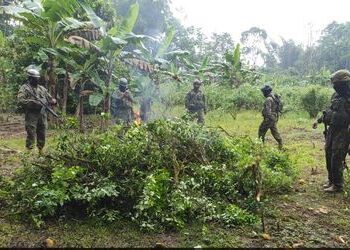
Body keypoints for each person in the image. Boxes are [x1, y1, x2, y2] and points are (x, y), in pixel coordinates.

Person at [313, 69, 350, 193]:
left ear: (344, 84)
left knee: (337, 156)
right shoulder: (335, 96)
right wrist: (318, 120)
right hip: (332, 129)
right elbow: (329, 111)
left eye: (337, 84)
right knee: (328, 153)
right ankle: (331, 180)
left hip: (344, 132)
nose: (335, 86)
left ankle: (338, 185)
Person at [17, 68, 56, 154]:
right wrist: (33, 103)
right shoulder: (25, 88)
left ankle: (40, 151)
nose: (37, 80)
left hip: (42, 115)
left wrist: (53, 101)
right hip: (31, 115)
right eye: (35, 78)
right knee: (31, 133)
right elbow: (21, 100)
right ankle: (28, 152)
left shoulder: (42, 89)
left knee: (42, 132)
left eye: (37, 78)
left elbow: (50, 98)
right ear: (30, 78)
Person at [258, 85, 283, 149]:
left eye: (263, 92)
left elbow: (267, 111)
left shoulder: (268, 99)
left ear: (266, 92)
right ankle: (280, 143)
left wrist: (267, 118)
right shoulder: (274, 97)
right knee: (274, 131)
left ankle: (261, 146)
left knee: (261, 131)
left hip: (269, 118)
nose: (263, 93)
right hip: (274, 117)